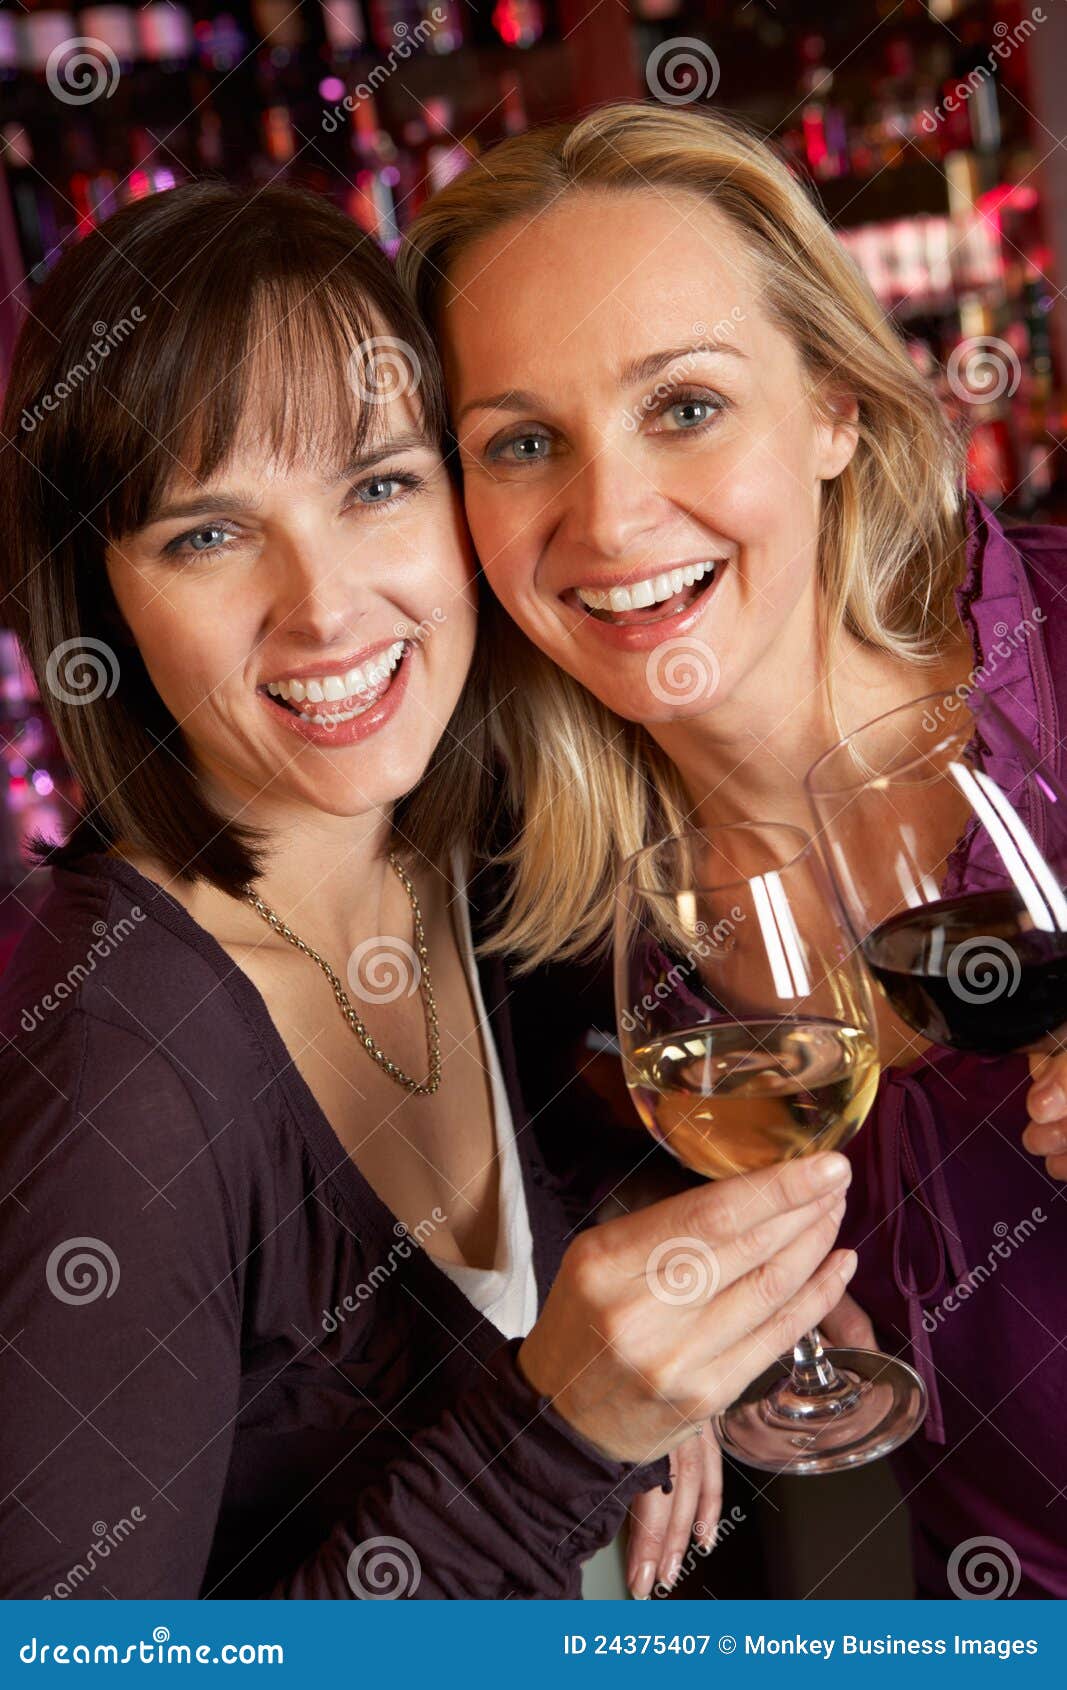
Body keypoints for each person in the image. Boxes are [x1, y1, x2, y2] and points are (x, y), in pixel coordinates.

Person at [0, 179, 857, 1600]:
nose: (327, 607)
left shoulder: (475, 844)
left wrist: (657, 1304)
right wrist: (564, 1431)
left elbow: (581, 1145)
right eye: (206, 535)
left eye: (380, 485)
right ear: (97, 603)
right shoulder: (120, 1084)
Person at [401, 101, 1067, 1598]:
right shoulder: (541, 922)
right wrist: (676, 1300)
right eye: (523, 443)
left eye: (684, 406)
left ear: (836, 403)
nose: (615, 515)